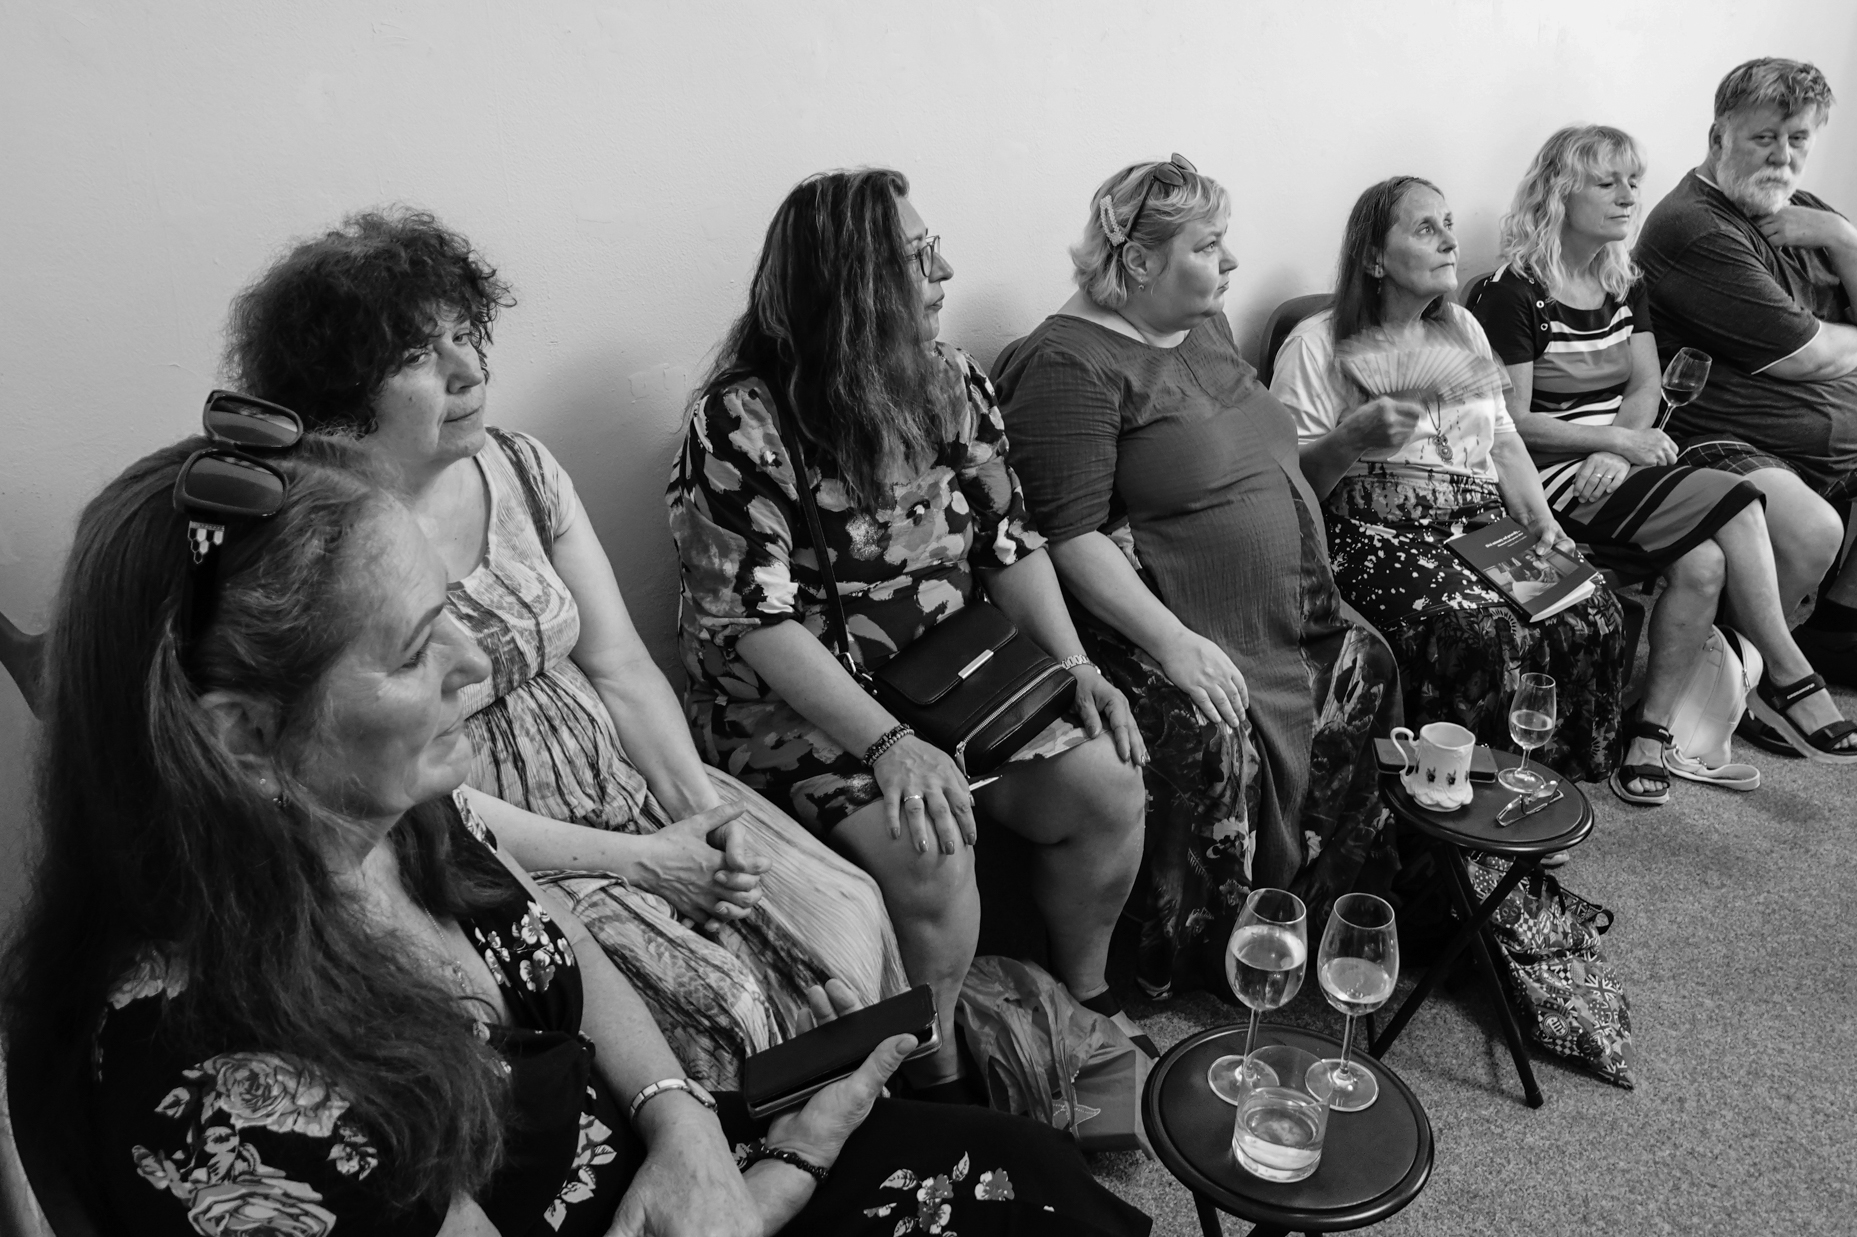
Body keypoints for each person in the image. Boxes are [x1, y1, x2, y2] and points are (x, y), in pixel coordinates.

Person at [0, 430, 1151, 1237]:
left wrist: (681, 1121)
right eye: (413, 649)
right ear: (246, 738)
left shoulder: (385, 814)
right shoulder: (234, 1099)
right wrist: (779, 1178)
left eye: (450, 612)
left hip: (672, 1175)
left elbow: (556, 941)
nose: (476, 663)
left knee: (1028, 1166)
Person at [228, 208, 905, 1088]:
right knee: (724, 1007)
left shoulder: (524, 468)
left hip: (632, 785)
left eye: (466, 333)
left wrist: (705, 819)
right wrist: (646, 863)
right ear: (339, 390)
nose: (469, 369)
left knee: (847, 917)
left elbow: (620, 666)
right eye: (418, 355)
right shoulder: (327, 544)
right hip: (494, 853)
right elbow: (413, 796)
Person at [669, 169, 1151, 1093]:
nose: (945, 272)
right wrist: (888, 744)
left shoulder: (949, 378)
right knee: (930, 851)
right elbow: (754, 622)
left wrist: (1075, 665)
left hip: (955, 673)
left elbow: (1009, 542)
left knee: (1110, 782)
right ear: (851, 286)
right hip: (803, 707)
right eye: (917, 257)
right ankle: (939, 1081)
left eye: (935, 249)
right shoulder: (739, 421)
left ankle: (1087, 995)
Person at [992, 157, 1401, 997]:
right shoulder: (1067, 363)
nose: (1231, 261)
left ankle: (1306, 913)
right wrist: (1174, 642)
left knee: (1370, 662)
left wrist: (1350, 441)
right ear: (1140, 260)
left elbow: (1262, 462)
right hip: (1165, 615)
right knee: (1211, 727)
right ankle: (1206, 955)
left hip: (1286, 608)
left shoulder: (1201, 323)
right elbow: (1065, 537)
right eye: (1209, 246)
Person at [1470, 124, 1857, 796]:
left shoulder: (1623, 281)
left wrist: (1622, 447)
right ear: (1558, 194)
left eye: (1633, 181)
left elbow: (1645, 388)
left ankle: (1649, 733)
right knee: (1739, 498)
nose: (1630, 196)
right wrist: (1615, 444)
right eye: (1608, 183)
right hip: (1540, 479)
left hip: (1618, 470)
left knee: (1705, 562)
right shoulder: (1509, 293)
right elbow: (1509, 424)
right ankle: (1788, 671)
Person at [1635, 58, 1857, 732]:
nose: (1783, 156)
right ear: (1719, 137)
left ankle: (1835, 633)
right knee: (1814, 530)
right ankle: (1733, 674)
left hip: (1842, 431)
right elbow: (1809, 357)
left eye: (1798, 138)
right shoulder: (1694, 226)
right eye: (1764, 138)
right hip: (1727, 440)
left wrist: (1841, 236)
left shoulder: (1805, 212)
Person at [1271, 176, 1626, 785]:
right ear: (1374, 258)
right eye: (1425, 229)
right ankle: (1450, 799)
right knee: (1473, 632)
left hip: (1477, 522)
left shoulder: (1463, 328)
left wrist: (1542, 521)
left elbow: (1504, 441)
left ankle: (1536, 785)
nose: (1450, 242)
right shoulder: (1315, 345)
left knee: (1588, 609)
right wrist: (1351, 438)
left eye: (1449, 226)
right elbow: (1286, 489)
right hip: (1374, 529)